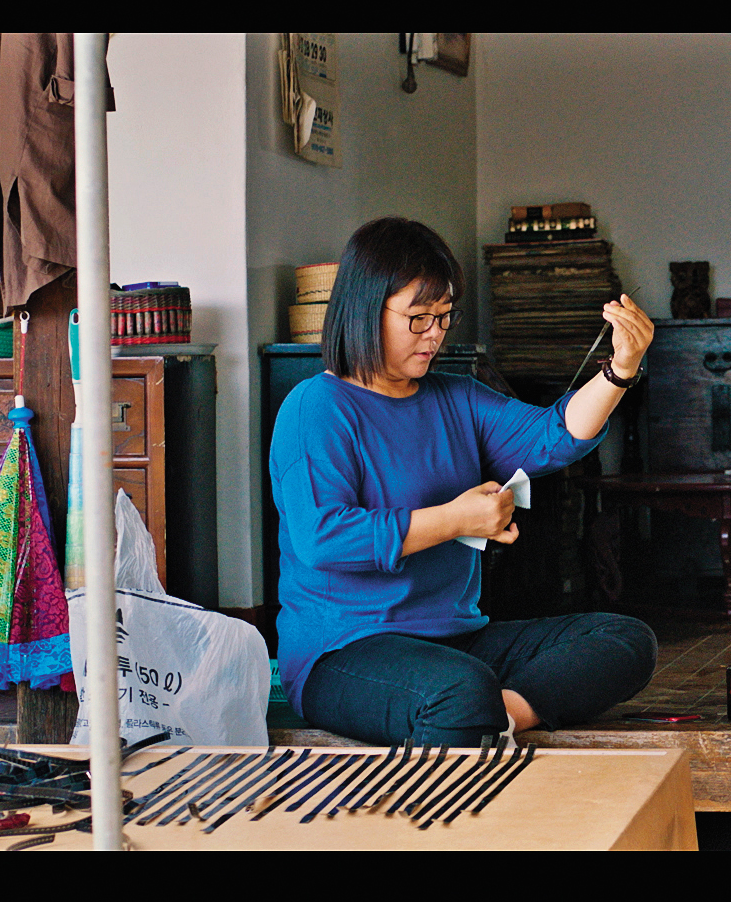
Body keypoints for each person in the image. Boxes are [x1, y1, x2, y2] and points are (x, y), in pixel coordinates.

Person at [269, 217, 657, 744]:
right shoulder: (315, 408)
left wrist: (620, 368)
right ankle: (471, 718)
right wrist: (457, 519)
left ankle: (495, 719)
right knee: (456, 689)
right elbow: (323, 537)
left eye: (444, 317)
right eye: (418, 318)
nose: (435, 334)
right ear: (364, 309)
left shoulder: (456, 396)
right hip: (343, 651)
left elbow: (554, 436)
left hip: (454, 644)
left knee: (624, 638)